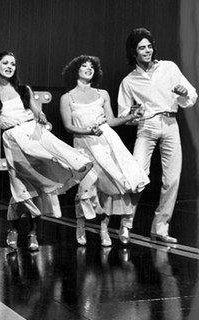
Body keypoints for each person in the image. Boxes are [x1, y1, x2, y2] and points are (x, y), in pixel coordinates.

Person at [0, 51, 92, 251]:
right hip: (13, 140)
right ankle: (14, 229)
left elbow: (37, 111)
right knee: (20, 187)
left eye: (13, 63)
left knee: (41, 184)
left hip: (33, 135)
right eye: (5, 63)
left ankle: (33, 233)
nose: (9, 66)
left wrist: (42, 116)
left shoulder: (23, 90)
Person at [60, 55, 149, 246]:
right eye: (84, 66)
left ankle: (104, 229)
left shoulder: (103, 94)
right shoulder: (67, 98)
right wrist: (88, 130)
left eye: (92, 66)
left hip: (107, 142)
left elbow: (111, 121)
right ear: (76, 70)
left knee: (111, 186)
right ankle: (81, 225)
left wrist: (130, 117)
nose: (89, 69)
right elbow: (68, 126)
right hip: (84, 145)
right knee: (86, 188)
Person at [118, 28, 197, 243]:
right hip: (147, 126)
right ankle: (126, 225)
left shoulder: (169, 67)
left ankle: (160, 229)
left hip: (170, 123)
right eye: (142, 47)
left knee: (172, 179)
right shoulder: (129, 81)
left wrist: (183, 94)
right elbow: (123, 114)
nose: (147, 51)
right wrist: (134, 115)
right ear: (133, 52)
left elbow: (192, 96)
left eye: (149, 46)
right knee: (137, 177)